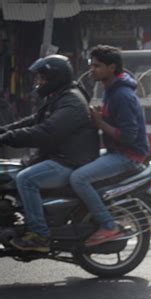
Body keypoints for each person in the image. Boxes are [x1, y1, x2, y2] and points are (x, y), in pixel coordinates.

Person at [1, 54, 99, 252]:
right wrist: (5, 130)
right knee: (10, 171)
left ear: (56, 77)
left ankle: (40, 236)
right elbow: (34, 120)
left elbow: (47, 131)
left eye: (43, 77)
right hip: (58, 155)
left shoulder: (71, 101)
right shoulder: (59, 96)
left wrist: (7, 137)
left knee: (25, 179)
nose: (39, 82)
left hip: (70, 161)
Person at [69, 45, 149, 247]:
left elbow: (129, 136)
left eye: (97, 65)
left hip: (127, 155)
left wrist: (99, 122)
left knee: (78, 178)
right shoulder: (111, 90)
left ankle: (108, 225)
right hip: (117, 151)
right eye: (91, 64)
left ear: (111, 67)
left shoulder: (122, 95)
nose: (92, 69)